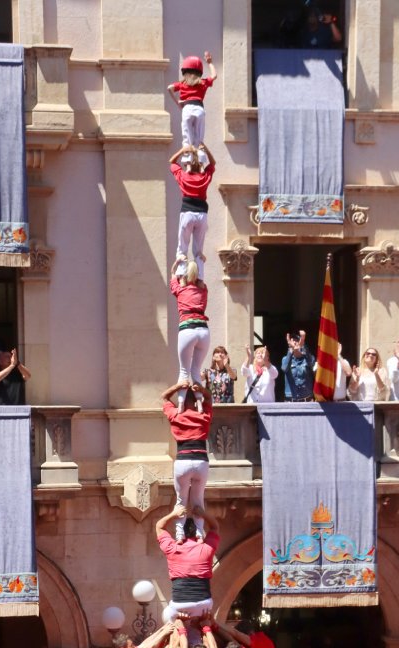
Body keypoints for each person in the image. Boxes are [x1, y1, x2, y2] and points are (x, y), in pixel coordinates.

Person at [162, 380, 212, 541]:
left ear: (182, 400)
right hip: (201, 461)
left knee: (181, 499)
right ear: (196, 400)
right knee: (198, 499)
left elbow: (164, 397)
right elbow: (209, 398)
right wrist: (202, 390)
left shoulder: (176, 415)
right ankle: (199, 532)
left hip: (182, 460)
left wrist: (177, 387)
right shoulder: (202, 415)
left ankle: (179, 533)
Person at [156, 503, 220, 619]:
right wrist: (202, 514)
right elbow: (215, 527)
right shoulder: (206, 548)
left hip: (180, 604)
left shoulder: (172, 548)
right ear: (197, 532)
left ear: (179, 532)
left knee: (167, 616)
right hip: (205, 604)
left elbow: (159, 526)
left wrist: (174, 514)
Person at [169, 142, 216, 281]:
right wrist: (206, 149)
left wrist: (183, 149)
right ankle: (200, 277)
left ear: (188, 165)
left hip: (187, 213)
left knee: (182, 247)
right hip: (202, 214)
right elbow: (213, 163)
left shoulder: (183, 176)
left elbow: (171, 161)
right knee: (198, 250)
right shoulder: (204, 178)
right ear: (200, 166)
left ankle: (181, 275)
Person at [170, 259, 210, 411]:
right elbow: (200, 281)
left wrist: (177, 264)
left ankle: (180, 404)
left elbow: (173, 276)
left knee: (184, 371)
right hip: (203, 331)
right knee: (196, 370)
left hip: (187, 328)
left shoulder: (180, 290)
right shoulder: (203, 289)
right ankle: (199, 402)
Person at [167, 52, 217, 151]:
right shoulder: (203, 82)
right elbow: (214, 75)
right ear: (200, 72)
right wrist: (210, 62)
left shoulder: (182, 84)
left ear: (185, 72)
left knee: (187, 139)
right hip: (199, 109)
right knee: (199, 139)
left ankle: (188, 163)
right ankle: (200, 162)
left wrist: (178, 102)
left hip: (187, 109)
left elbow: (169, 88)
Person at [281, 330, 316, 402]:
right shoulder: (285, 358)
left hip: (307, 399)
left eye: (297, 341)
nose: (294, 343)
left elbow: (312, 364)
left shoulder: (308, 358)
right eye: (292, 341)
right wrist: (291, 350)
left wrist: (302, 343)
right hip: (290, 400)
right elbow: (284, 368)